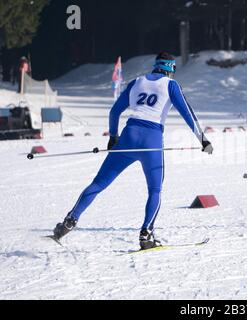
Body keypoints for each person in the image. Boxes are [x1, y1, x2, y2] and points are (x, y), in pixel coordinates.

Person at [51, 52, 214, 250]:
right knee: (155, 190)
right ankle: (146, 235)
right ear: (170, 68)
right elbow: (188, 114)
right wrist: (202, 140)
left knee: (98, 183)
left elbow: (114, 111)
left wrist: (113, 137)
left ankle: (68, 222)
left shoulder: (137, 81)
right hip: (151, 141)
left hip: (128, 138)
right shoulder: (171, 85)